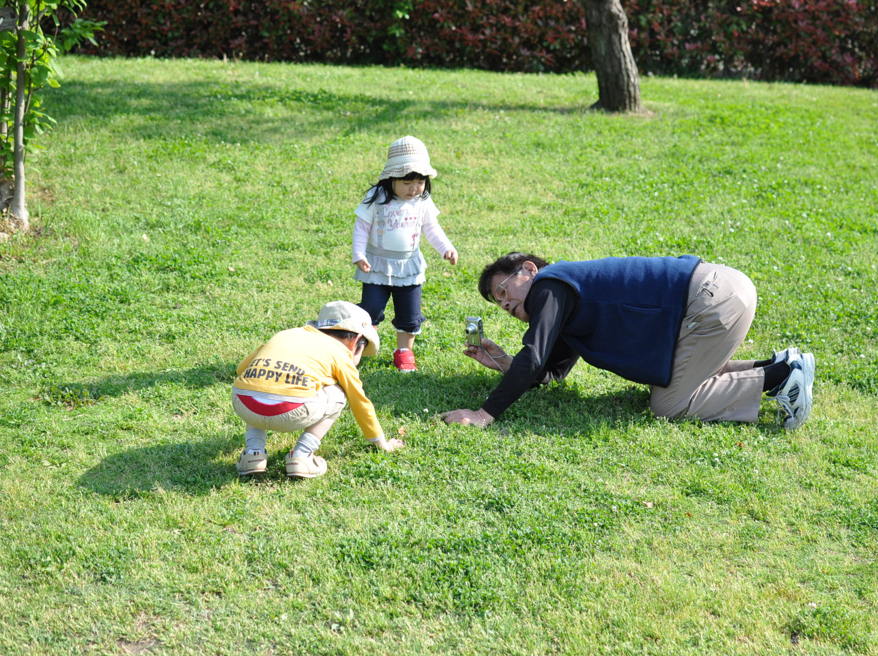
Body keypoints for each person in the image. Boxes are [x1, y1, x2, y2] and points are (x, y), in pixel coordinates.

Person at [441, 252, 815, 430]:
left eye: (505, 289)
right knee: (689, 374)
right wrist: (507, 363)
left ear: (529, 270)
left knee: (668, 403)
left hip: (710, 299)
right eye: (500, 303)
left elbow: (535, 357)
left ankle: (780, 380)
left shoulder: (549, 285)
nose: (507, 303)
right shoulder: (568, 299)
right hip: (721, 291)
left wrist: (483, 414)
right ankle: (780, 366)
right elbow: (550, 369)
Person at [232, 301, 404, 479]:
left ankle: (253, 453)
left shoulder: (286, 334)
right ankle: (302, 456)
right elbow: (359, 402)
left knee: (259, 383)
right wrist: (381, 442)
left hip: (243, 403)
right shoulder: (341, 353)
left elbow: (241, 368)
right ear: (355, 341)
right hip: (290, 410)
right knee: (340, 393)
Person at [353, 135, 458, 373]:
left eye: (419, 182)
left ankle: (404, 352)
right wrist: (359, 254)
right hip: (377, 265)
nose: (414, 189)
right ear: (391, 178)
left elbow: (431, 229)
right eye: (407, 182)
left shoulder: (422, 202)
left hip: (408, 266)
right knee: (370, 309)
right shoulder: (376, 200)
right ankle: (362, 345)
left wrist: (446, 248)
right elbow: (361, 228)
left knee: (409, 313)